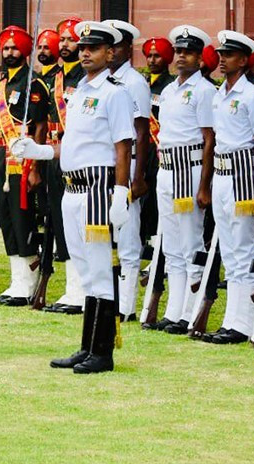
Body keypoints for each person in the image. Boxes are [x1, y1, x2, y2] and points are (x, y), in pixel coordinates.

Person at [13, 21, 134, 374]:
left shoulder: (115, 93)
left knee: (99, 268)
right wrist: (39, 150)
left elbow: (123, 146)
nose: (84, 53)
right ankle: (87, 346)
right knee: (83, 267)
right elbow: (74, 145)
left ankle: (102, 351)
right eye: (82, 48)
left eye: (93, 48)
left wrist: (121, 193)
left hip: (99, 186)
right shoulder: (78, 91)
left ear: (110, 54)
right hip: (73, 186)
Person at [147, 25, 216, 334]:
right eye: (178, 51)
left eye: (188, 52)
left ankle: (190, 312)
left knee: (190, 241)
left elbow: (209, 139)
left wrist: (204, 185)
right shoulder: (170, 89)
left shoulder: (204, 91)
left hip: (190, 168)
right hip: (167, 169)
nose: (181, 57)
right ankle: (174, 310)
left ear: (200, 57)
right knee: (171, 243)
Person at [201, 30, 254, 344]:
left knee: (242, 246)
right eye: (221, 54)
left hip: (243, 172)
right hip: (222, 173)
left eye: (228, 55)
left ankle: (242, 322)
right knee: (228, 248)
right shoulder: (218, 94)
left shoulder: (253, 95)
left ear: (243, 60)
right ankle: (233, 318)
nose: (222, 59)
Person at [0, 26, 48, 305]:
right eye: (6, 48)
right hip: (3, 155)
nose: (9, 52)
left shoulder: (33, 84)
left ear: (25, 52)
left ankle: (28, 281)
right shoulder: (2, 85)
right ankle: (17, 280)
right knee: (6, 216)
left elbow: (40, 127)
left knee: (21, 215)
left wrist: (35, 166)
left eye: (14, 48)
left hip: (24, 157)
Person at [103, 20, 152, 321]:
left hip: (129, 162)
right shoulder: (102, 80)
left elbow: (142, 132)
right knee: (106, 234)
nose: (110, 52)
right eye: (107, 47)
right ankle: (106, 298)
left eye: (116, 46)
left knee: (128, 237)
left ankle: (127, 305)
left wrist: (138, 177)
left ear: (127, 48)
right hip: (106, 162)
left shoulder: (133, 82)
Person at [40, 18, 86, 313]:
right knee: (57, 219)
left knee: (79, 224)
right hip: (53, 154)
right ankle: (71, 288)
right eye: (63, 39)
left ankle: (81, 289)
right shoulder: (51, 78)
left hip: (80, 156)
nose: (65, 44)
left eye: (71, 39)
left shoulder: (88, 78)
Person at [138, 36, 175, 322]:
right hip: (144, 152)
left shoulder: (168, 88)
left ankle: (157, 258)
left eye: (157, 56)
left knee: (158, 211)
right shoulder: (143, 85)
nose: (152, 60)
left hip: (160, 155)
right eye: (149, 56)